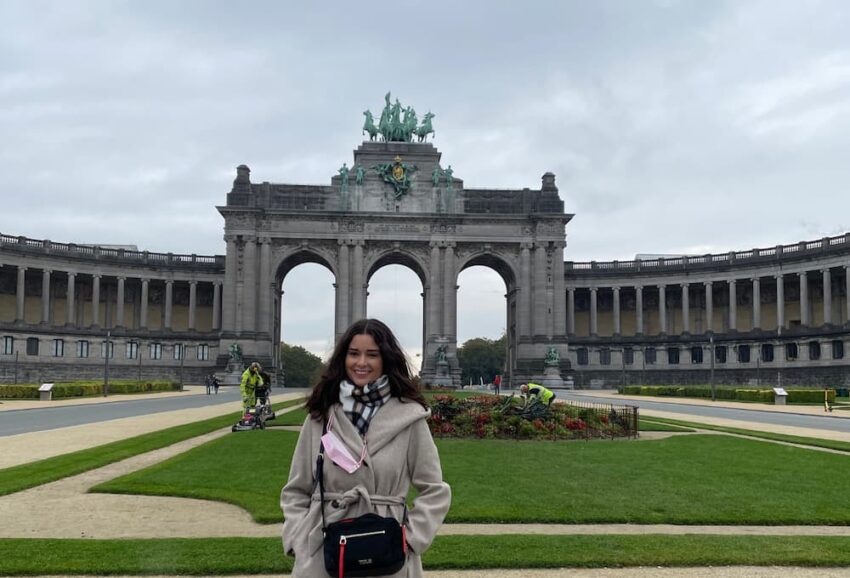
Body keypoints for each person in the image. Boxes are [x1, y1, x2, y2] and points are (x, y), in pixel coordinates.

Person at [281, 318, 451, 577]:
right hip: (323, 551)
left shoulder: (410, 419)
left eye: (372, 355)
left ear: (385, 359)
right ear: (343, 358)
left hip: (387, 552)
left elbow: (435, 490)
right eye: (354, 354)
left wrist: (411, 540)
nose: (361, 363)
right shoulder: (320, 416)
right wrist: (298, 539)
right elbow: (296, 489)